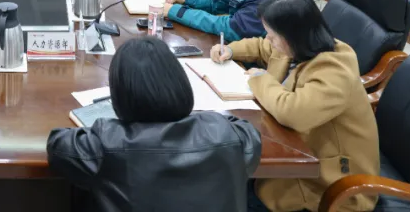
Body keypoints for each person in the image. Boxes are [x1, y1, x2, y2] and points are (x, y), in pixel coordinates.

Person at [48, 36, 261, 212]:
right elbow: (248, 134)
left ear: (120, 96)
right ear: (179, 83)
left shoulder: (105, 141)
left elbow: (57, 144)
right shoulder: (229, 133)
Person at [212, 0, 378, 212]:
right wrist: (231, 49)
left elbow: (293, 112)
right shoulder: (299, 45)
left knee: (223, 192)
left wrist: (261, 79)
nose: (268, 39)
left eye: (272, 35)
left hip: (332, 185)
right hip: (297, 154)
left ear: (291, 36)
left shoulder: (335, 69)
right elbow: (262, 47)